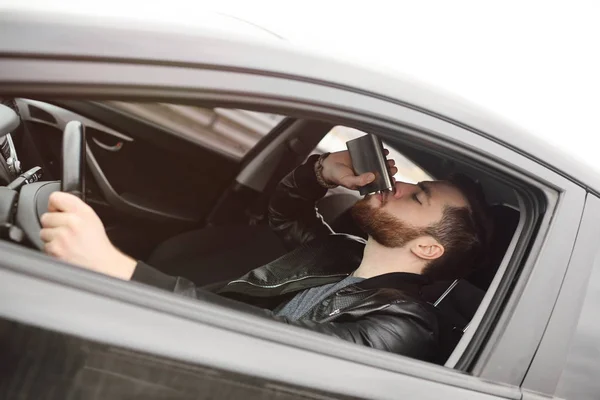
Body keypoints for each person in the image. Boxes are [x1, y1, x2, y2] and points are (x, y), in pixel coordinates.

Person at [39, 150, 491, 363]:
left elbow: (276, 343)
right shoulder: (341, 253)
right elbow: (284, 214)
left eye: (417, 198)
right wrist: (321, 172)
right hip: (181, 350)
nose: (399, 186)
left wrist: (121, 270)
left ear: (428, 248)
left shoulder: (405, 326)